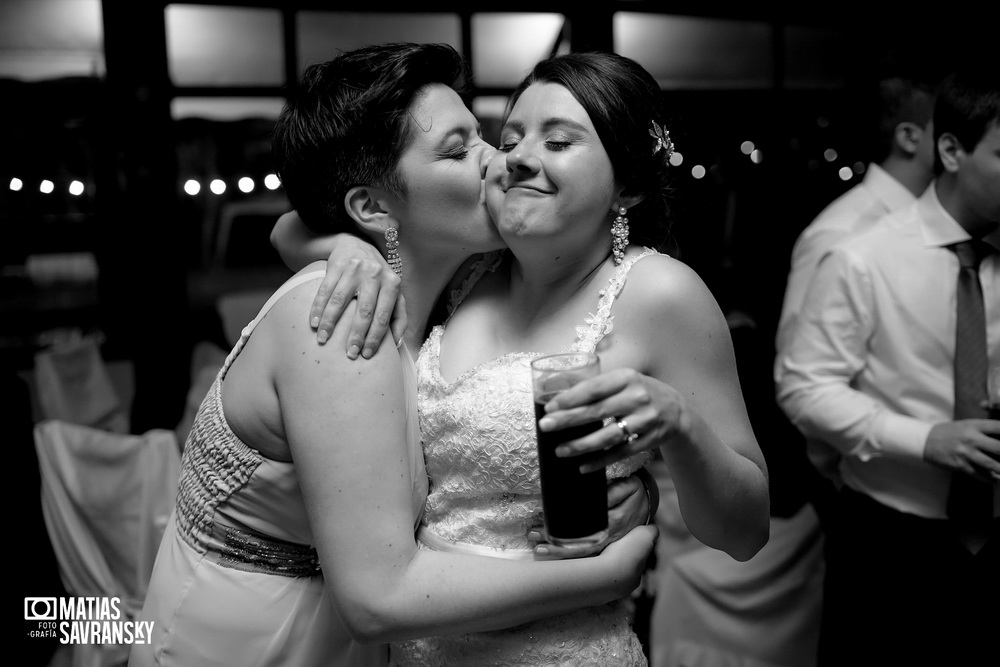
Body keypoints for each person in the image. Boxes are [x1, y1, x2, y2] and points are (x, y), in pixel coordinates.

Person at [130, 42, 659, 667]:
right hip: (250, 640)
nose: (504, 161)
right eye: (460, 151)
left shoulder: (457, 287)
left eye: (484, 136)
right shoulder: (342, 324)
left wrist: (637, 486)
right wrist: (608, 574)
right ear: (374, 208)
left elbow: (291, 225)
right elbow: (378, 599)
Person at [280, 49, 770, 665]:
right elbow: (300, 222)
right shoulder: (464, 269)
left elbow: (746, 532)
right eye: (509, 138)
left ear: (629, 186)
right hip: (416, 645)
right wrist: (348, 249)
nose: (517, 158)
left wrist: (679, 429)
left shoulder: (660, 294)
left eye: (559, 141)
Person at [776, 64, 1000, 666]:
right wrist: (927, 439)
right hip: (894, 536)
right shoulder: (861, 255)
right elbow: (803, 386)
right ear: (950, 150)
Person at [776, 65, 939, 497]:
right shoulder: (841, 232)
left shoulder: (936, 223)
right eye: (947, 125)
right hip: (860, 481)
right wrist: (835, 471)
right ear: (909, 137)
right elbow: (800, 368)